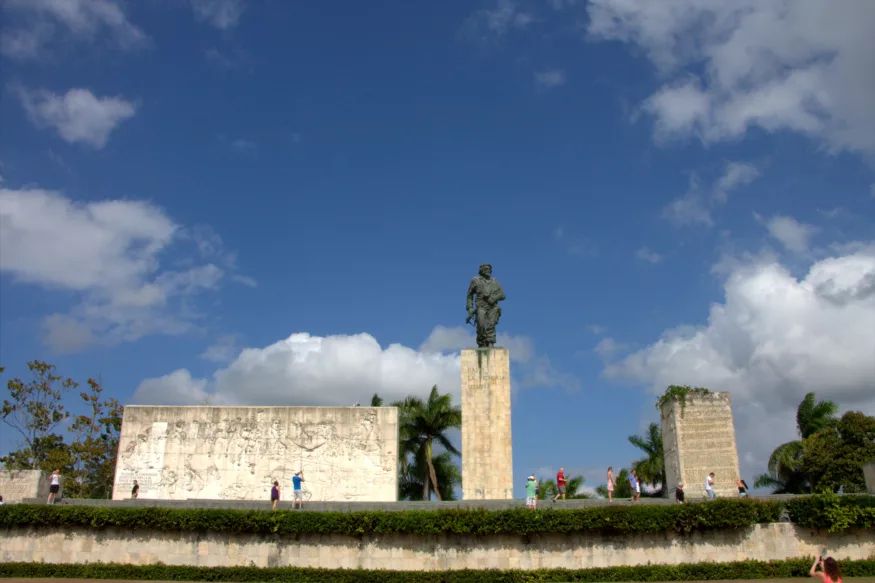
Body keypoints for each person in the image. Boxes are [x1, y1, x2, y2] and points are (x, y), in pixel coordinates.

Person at [466, 264, 506, 348]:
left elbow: (502, 295)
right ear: (481, 270)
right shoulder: (475, 280)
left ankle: (490, 341)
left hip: (492, 307)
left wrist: (493, 298)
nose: (489, 271)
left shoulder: (494, 281)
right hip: (481, 306)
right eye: (486, 269)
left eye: (490, 269)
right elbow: (469, 295)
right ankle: (482, 341)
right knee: (481, 324)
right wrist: (470, 308)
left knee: (491, 324)